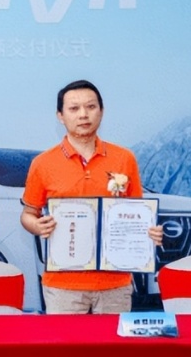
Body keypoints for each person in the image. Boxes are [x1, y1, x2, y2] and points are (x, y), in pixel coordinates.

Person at [20, 79, 164, 314]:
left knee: (112, 341)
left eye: (90, 107)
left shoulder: (124, 158)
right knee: (65, 341)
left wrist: (148, 232)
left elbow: (137, 213)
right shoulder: (43, 163)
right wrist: (37, 226)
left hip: (115, 284)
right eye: (74, 108)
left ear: (102, 111)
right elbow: (28, 214)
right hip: (62, 285)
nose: (83, 115)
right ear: (60, 116)